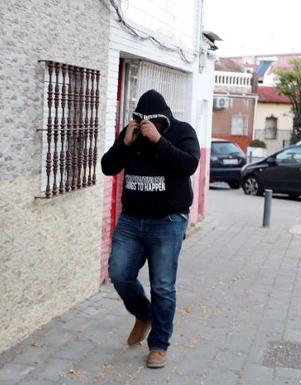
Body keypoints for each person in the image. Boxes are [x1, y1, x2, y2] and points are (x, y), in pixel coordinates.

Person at [101, 89, 200, 368]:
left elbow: (189, 165)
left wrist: (159, 141)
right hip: (132, 220)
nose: (146, 127)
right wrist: (125, 144)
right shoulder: (131, 134)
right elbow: (108, 167)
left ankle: (159, 344)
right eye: (142, 122)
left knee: (163, 287)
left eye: (152, 123)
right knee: (119, 273)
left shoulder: (181, 132)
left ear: (163, 120)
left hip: (168, 222)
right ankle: (144, 314)